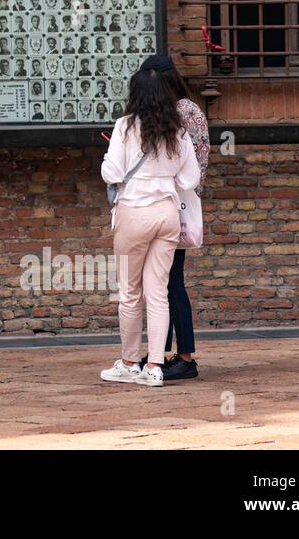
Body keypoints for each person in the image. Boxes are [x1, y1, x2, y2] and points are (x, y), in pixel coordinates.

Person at [99, 63, 200, 387]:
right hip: (167, 213)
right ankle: (155, 366)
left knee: (130, 293)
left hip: (134, 212)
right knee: (158, 293)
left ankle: (130, 361)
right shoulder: (179, 131)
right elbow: (190, 178)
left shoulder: (125, 127)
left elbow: (111, 172)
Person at [143, 54, 209, 381]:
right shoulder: (186, 110)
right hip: (173, 203)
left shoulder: (183, 112)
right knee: (166, 282)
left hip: (176, 205)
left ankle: (185, 357)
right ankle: (164, 353)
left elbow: (185, 166)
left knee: (171, 282)